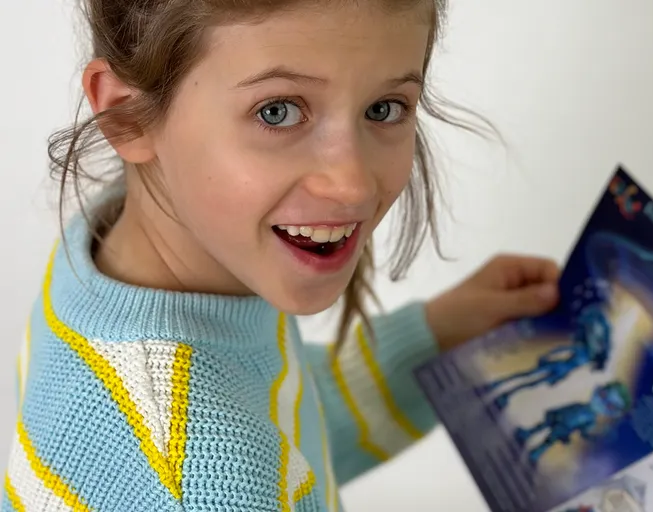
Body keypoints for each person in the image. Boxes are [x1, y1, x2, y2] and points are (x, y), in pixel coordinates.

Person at [1, 1, 561, 510]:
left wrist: (436, 338)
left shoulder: (104, 251)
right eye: (277, 112)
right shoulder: (208, 484)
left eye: (385, 108)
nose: (352, 185)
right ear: (126, 115)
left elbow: (282, 420)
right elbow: (243, 456)